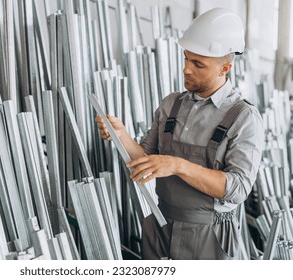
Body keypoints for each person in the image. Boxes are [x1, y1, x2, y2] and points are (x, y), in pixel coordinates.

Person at [95, 7, 264, 260]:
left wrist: (177, 165)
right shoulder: (171, 105)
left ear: (225, 68)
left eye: (198, 64)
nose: (186, 69)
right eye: (186, 58)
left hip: (209, 234)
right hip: (160, 225)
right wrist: (121, 135)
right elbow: (145, 160)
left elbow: (238, 188)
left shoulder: (243, 117)